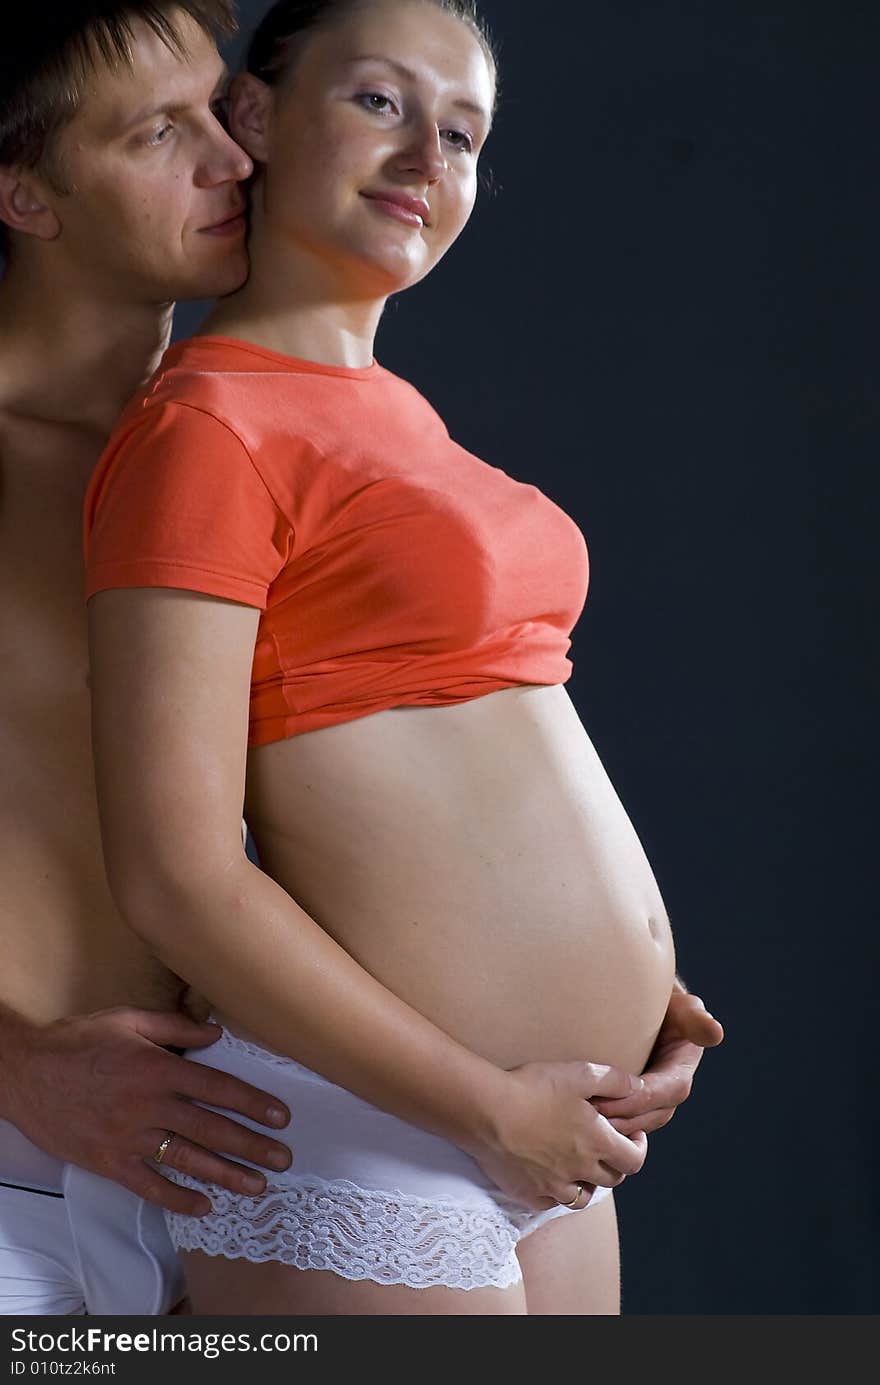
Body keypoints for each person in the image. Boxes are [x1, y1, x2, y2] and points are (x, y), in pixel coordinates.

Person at [85, 0, 724, 1316]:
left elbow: (453, 767)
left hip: (548, 1120)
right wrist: (493, 1097)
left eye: (465, 131)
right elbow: (176, 870)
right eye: (380, 102)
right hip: (371, 1115)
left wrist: (624, 980)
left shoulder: (396, 418)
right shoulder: (208, 426)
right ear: (254, 119)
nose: (428, 156)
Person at [0, 0, 305, 1315]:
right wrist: (12, 1065)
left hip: (238, 1172)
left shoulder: (257, 444)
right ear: (26, 195)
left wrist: (570, 969)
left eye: (219, 110)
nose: (236, 161)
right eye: (156, 133)